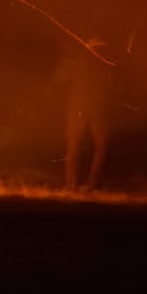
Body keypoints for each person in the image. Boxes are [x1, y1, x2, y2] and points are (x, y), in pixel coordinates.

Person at [57, 42, 111, 190]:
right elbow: (61, 78)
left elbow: (60, 79)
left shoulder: (92, 65)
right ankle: (82, 184)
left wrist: (67, 62)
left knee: (79, 145)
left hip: (86, 108)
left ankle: (76, 184)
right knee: (89, 145)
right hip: (86, 108)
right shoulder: (103, 66)